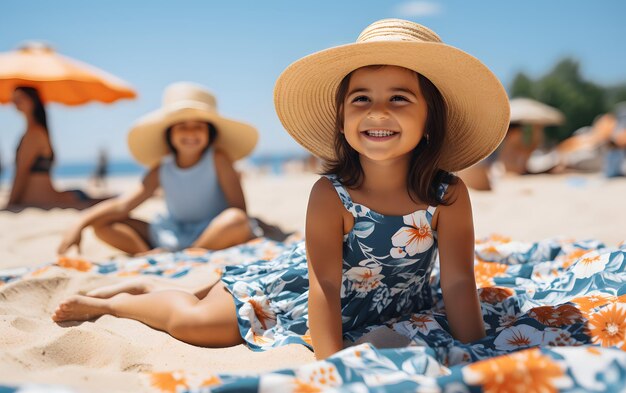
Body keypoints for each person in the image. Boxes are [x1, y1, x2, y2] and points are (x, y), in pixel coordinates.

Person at [53, 19, 509, 360]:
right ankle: (116, 303)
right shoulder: (332, 194)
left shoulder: (447, 194)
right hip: (295, 292)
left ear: (430, 121)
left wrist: (476, 351)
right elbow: (325, 285)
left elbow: (456, 281)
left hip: (389, 303)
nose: (377, 112)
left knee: (198, 298)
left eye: (399, 98)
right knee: (197, 324)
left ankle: (151, 281)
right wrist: (331, 367)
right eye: (361, 99)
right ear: (343, 119)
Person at [57, 82, 260, 256]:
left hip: (213, 232)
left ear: (210, 131)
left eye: (199, 125)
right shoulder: (162, 167)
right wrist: (80, 223)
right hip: (172, 232)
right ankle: (145, 255)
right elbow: (122, 205)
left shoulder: (218, 159)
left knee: (236, 220)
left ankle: (191, 254)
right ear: (169, 133)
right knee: (102, 225)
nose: (190, 132)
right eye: (182, 126)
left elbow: (239, 209)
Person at [6, 86, 106, 210]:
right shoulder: (37, 132)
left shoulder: (34, 134)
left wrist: (10, 203)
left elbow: (21, 173)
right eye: (14, 98)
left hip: (58, 199)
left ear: (33, 101)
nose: (15, 102)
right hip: (63, 197)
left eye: (20, 98)